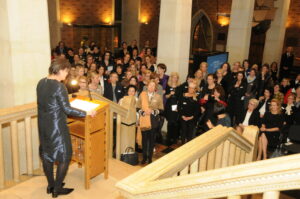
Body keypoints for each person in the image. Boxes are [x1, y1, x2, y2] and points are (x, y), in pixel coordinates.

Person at [37, 59, 95, 197]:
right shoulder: (59, 86)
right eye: (66, 72)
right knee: (65, 156)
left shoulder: (41, 82)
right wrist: (86, 112)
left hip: (43, 126)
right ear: (60, 70)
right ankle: (57, 189)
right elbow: (67, 109)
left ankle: (50, 185)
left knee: (47, 155)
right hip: (57, 126)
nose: (67, 75)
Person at [137, 80, 164, 164]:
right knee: (144, 140)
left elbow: (162, 110)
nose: (151, 87)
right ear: (147, 86)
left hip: (153, 121)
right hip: (144, 119)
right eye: (150, 85)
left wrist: (152, 111)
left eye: (153, 86)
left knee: (152, 141)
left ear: (155, 88)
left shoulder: (158, 97)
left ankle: (150, 158)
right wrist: (144, 112)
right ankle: (144, 157)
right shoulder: (142, 95)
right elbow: (137, 107)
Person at [119, 85, 138, 153]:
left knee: (131, 140)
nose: (131, 92)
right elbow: (119, 110)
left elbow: (137, 113)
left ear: (135, 92)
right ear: (127, 91)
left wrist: (137, 122)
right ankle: (122, 153)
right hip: (123, 123)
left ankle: (131, 153)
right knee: (124, 139)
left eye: (133, 91)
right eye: (130, 91)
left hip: (133, 123)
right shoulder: (122, 100)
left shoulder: (137, 100)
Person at [165, 72, 180, 146]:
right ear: (171, 78)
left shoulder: (179, 86)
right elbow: (166, 96)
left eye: (176, 77)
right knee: (170, 122)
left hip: (176, 105)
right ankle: (169, 137)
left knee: (175, 122)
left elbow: (180, 97)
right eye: (173, 77)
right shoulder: (168, 85)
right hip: (169, 105)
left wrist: (178, 106)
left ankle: (175, 138)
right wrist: (170, 94)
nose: (175, 79)